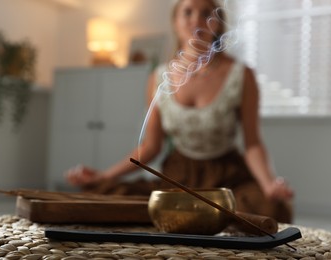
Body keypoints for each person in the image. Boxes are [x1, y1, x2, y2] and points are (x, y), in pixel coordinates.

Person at [66, 0, 294, 223]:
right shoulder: (158, 78)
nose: (197, 20)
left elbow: (252, 144)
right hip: (178, 176)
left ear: (218, 23)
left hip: (228, 177)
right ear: (175, 21)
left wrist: (268, 184)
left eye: (206, 13)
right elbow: (150, 146)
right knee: (103, 196)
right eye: (187, 12)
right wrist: (104, 176)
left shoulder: (241, 74)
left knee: (268, 209)